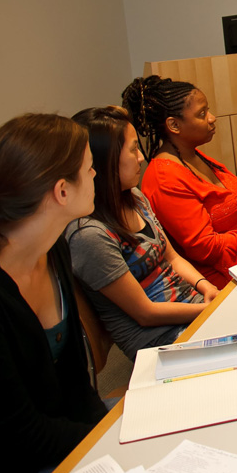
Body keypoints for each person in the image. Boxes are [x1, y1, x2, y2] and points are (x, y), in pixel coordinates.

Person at [0, 114, 107, 473]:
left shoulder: (53, 250)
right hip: (4, 466)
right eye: (90, 169)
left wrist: (112, 429)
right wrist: (112, 439)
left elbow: (77, 384)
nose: (96, 177)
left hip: (61, 440)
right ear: (62, 191)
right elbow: (19, 435)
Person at [66, 106, 216, 360]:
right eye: (134, 149)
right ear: (106, 161)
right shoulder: (89, 235)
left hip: (193, 308)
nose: (141, 158)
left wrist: (205, 286)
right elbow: (145, 313)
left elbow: (172, 257)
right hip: (159, 340)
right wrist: (210, 308)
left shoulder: (133, 197)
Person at [122, 75, 237, 289]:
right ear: (174, 125)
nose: (212, 118)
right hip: (226, 275)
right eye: (201, 114)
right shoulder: (164, 178)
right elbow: (205, 247)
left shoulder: (193, 155)